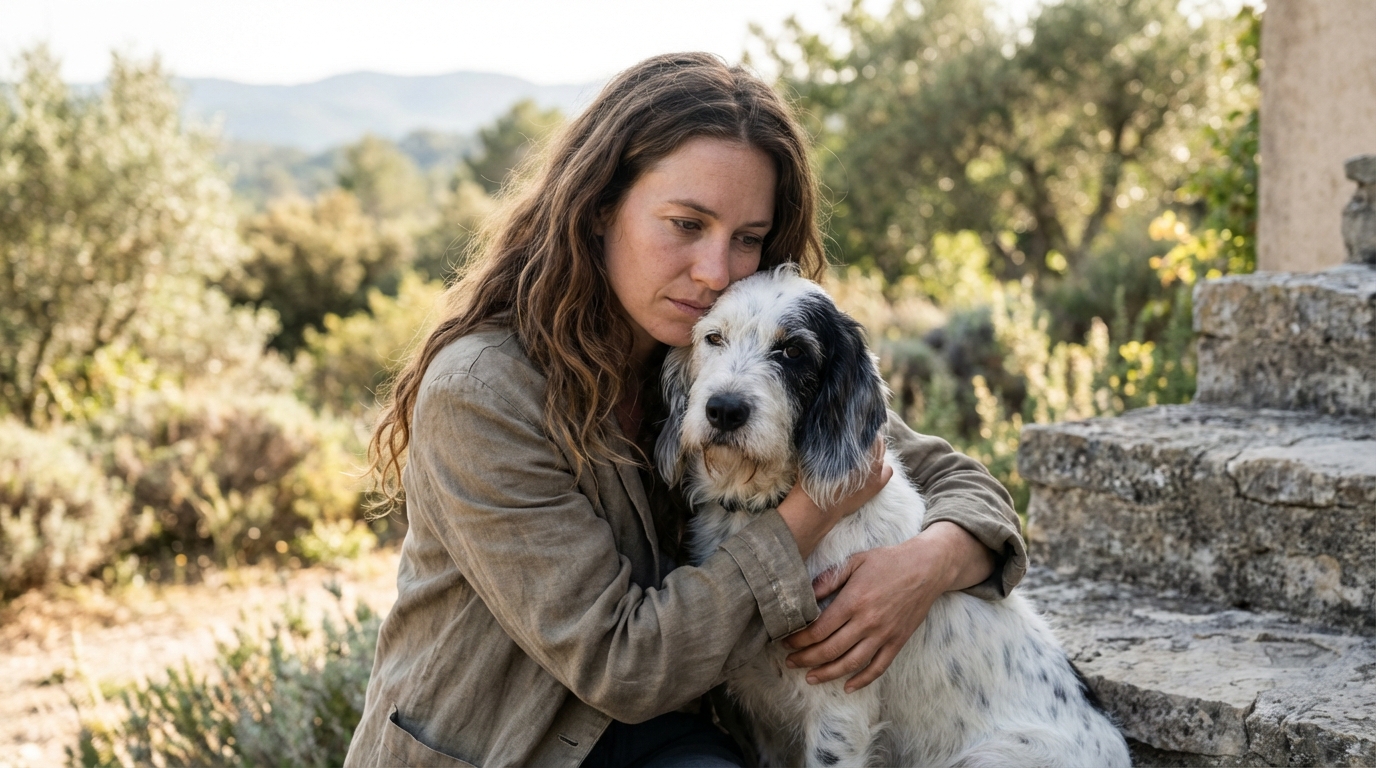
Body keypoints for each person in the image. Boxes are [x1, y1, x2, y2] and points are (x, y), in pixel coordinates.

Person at [344, 53, 1025, 768]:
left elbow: (946, 474)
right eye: (686, 223)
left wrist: (926, 564)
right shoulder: (483, 393)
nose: (715, 272)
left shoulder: (718, 352)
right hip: (505, 744)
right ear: (601, 209)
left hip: (664, 730)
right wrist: (810, 518)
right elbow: (622, 664)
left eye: (748, 238)